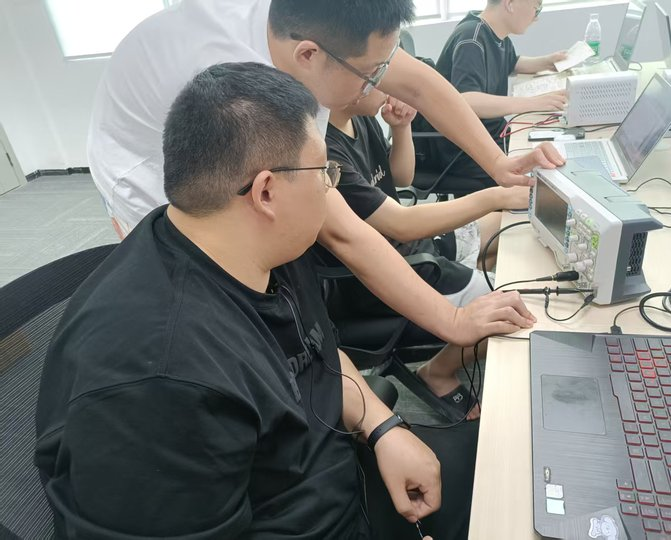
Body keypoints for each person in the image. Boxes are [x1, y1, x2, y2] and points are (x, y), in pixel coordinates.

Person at [38, 62, 536, 540]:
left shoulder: (260, 247)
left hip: (348, 469)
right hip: (317, 519)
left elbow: (316, 353)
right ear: (266, 193)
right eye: (324, 172)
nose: (331, 187)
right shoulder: (159, 384)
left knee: (525, 461)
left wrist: (381, 424)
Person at [86, 0, 561, 350]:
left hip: (204, 100)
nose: (378, 84)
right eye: (371, 74)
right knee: (211, 288)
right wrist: (451, 321)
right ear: (309, 56)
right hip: (141, 161)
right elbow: (344, 233)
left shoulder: (311, 25)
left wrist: (497, 164)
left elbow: (419, 82)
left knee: (286, 239)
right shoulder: (243, 88)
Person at [320, 89, 530, 417]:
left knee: (510, 230)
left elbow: (401, 178)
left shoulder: (359, 118)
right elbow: (400, 225)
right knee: (518, 306)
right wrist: (495, 196)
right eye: (376, 73)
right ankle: (438, 371)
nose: (386, 85)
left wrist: (401, 128)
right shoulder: (326, 152)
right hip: (394, 268)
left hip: (416, 245)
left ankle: (473, 282)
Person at [431, 0, 569, 187]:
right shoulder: (471, 39)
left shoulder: (493, 33)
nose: (536, 18)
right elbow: (468, 100)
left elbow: (512, 63)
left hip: (489, 135)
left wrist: (547, 62)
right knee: (546, 175)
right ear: (510, 4)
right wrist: (533, 102)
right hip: (464, 149)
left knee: (548, 150)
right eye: (536, 9)